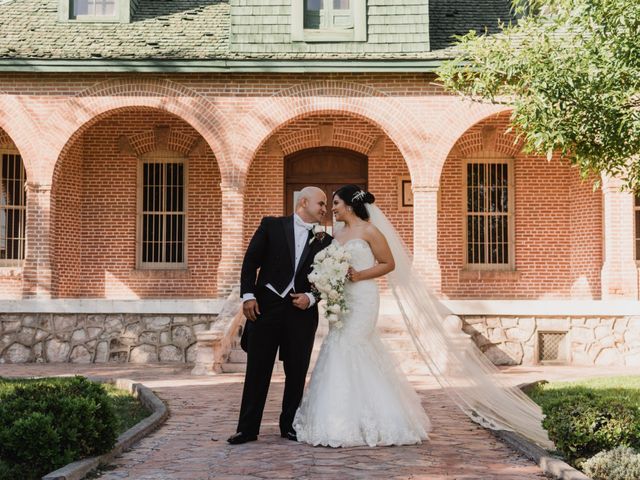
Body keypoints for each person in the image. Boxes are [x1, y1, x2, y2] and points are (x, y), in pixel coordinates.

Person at [293, 185, 431, 447]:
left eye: (335, 203)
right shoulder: (337, 233)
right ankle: (338, 419)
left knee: (354, 345)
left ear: (348, 205)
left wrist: (359, 275)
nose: (331, 209)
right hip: (342, 299)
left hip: (364, 297)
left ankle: (377, 419)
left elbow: (389, 263)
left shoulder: (369, 230)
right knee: (337, 346)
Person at [227, 186, 333, 445]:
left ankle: (290, 426)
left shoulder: (326, 240)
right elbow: (250, 262)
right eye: (320, 203)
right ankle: (247, 429)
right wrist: (248, 296)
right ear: (304, 201)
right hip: (265, 308)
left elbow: (329, 279)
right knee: (257, 369)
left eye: (326, 205)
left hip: (300, 313)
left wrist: (311, 298)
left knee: (296, 371)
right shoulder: (271, 226)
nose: (324, 209)